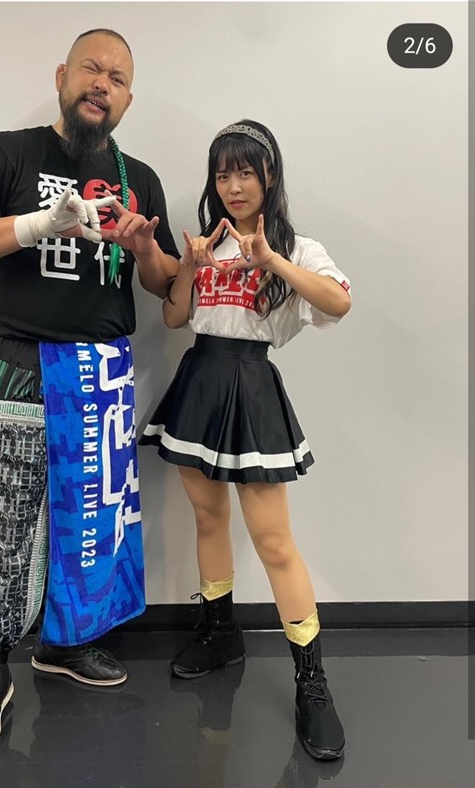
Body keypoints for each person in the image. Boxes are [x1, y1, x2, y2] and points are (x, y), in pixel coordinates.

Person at [0, 28, 180, 762]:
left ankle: (64, 643)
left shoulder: (139, 176)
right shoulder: (9, 153)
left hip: (103, 370)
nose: (103, 84)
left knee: (90, 523)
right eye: (92, 69)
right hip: (24, 360)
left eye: (118, 79)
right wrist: (42, 222)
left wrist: (144, 248)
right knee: (7, 522)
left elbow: (165, 280)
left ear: (128, 99)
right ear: (63, 75)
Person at [139, 120, 351, 761]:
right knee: (208, 519)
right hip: (199, 380)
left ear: (269, 177)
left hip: (251, 386)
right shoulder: (208, 242)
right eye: (223, 174)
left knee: (274, 542)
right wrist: (190, 266)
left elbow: (338, 304)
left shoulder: (298, 247)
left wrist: (273, 261)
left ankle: (312, 683)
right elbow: (175, 316)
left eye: (245, 173)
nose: (233, 186)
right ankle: (219, 631)